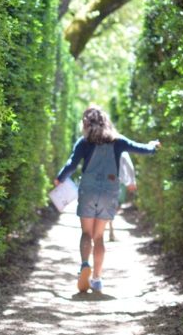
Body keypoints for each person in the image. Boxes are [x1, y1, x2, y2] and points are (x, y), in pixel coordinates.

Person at [54, 106, 160, 293]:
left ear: (86, 123)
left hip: (88, 189)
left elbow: (72, 164)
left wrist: (60, 178)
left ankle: (85, 264)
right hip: (109, 190)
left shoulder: (84, 142)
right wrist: (153, 146)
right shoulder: (117, 141)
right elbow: (141, 149)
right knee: (99, 236)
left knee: (86, 234)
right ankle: (97, 279)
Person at [108, 153, 137, 242]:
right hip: (120, 182)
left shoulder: (103, 149)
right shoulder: (123, 152)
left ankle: (110, 228)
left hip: (106, 181)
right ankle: (111, 229)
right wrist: (132, 182)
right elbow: (130, 167)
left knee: (108, 206)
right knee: (116, 206)